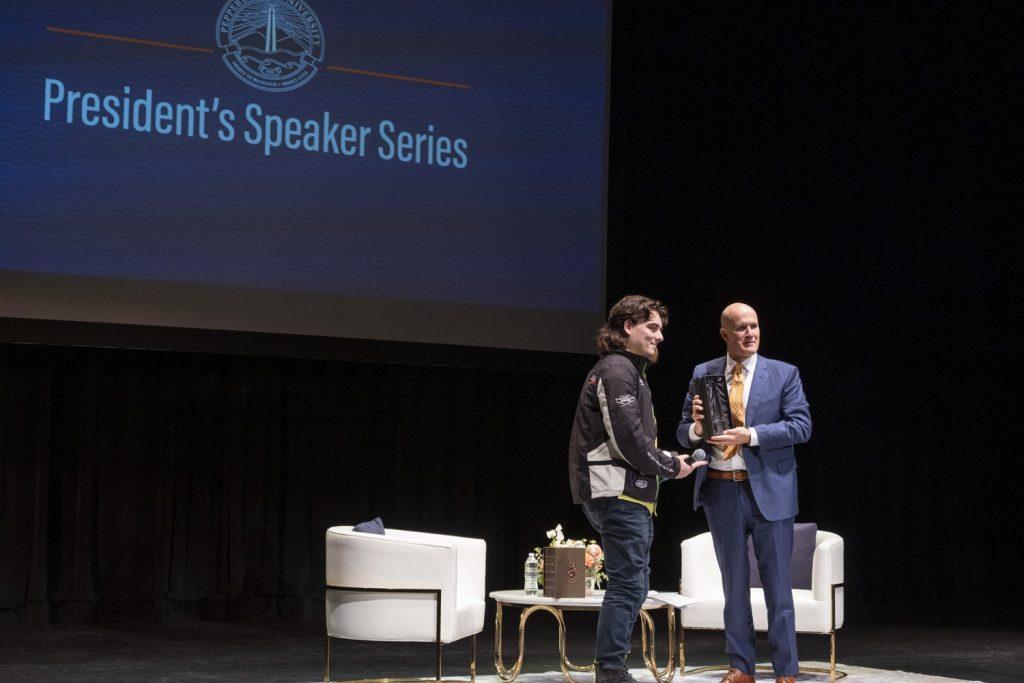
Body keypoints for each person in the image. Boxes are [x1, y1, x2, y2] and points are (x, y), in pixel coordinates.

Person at [568, 295, 706, 683]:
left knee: (633, 581)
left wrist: (669, 460)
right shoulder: (616, 370)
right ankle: (610, 669)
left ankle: (611, 666)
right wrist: (669, 466)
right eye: (653, 327)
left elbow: (631, 439)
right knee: (629, 582)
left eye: (661, 329)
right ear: (627, 327)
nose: (660, 336)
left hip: (626, 491)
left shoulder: (628, 371)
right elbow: (627, 439)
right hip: (618, 492)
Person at [676, 303, 811, 683]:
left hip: (770, 493)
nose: (750, 334)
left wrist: (750, 435)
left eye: (754, 326)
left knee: (778, 588)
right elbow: (683, 430)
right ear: (725, 334)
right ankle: (741, 667)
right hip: (721, 491)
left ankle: (786, 671)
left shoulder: (784, 373)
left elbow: (801, 426)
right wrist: (699, 429)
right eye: (741, 328)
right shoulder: (704, 373)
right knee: (733, 587)